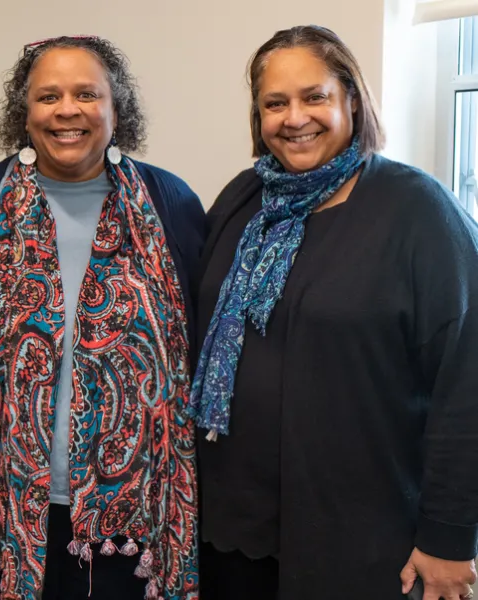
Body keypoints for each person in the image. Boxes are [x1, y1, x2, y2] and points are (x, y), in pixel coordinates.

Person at [191, 25, 478, 600]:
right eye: (275, 103)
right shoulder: (242, 200)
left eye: (314, 96)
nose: (294, 117)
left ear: (351, 98)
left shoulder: (417, 211)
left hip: (363, 541)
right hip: (229, 536)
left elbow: (466, 383)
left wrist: (450, 538)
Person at [0, 35, 206, 600]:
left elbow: (202, 352)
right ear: (23, 113)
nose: (67, 111)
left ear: (115, 106)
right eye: (47, 96)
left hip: (139, 532)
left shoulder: (170, 205)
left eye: (86, 94)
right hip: (1, 519)